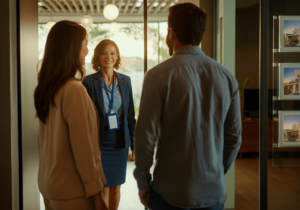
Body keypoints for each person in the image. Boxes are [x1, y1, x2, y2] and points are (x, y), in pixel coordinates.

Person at [134, 3, 242, 210]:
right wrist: (216, 171)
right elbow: (234, 137)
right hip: (213, 194)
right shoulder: (226, 77)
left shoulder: (157, 76)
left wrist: (143, 181)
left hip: (169, 194)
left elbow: (145, 136)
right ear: (200, 33)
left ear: (171, 33)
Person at [34, 21, 107, 210]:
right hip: (74, 191)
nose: (88, 50)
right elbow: (83, 148)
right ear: (72, 48)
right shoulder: (73, 90)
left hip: (50, 186)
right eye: (85, 44)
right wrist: (97, 193)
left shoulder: (47, 88)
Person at [83, 39, 136, 210]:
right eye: (104, 53)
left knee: (116, 187)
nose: (109, 57)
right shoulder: (88, 82)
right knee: (103, 187)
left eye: (112, 53)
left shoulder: (125, 81)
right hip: (100, 141)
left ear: (117, 57)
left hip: (119, 141)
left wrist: (134, 145)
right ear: (98, 57)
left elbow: (130, 116)